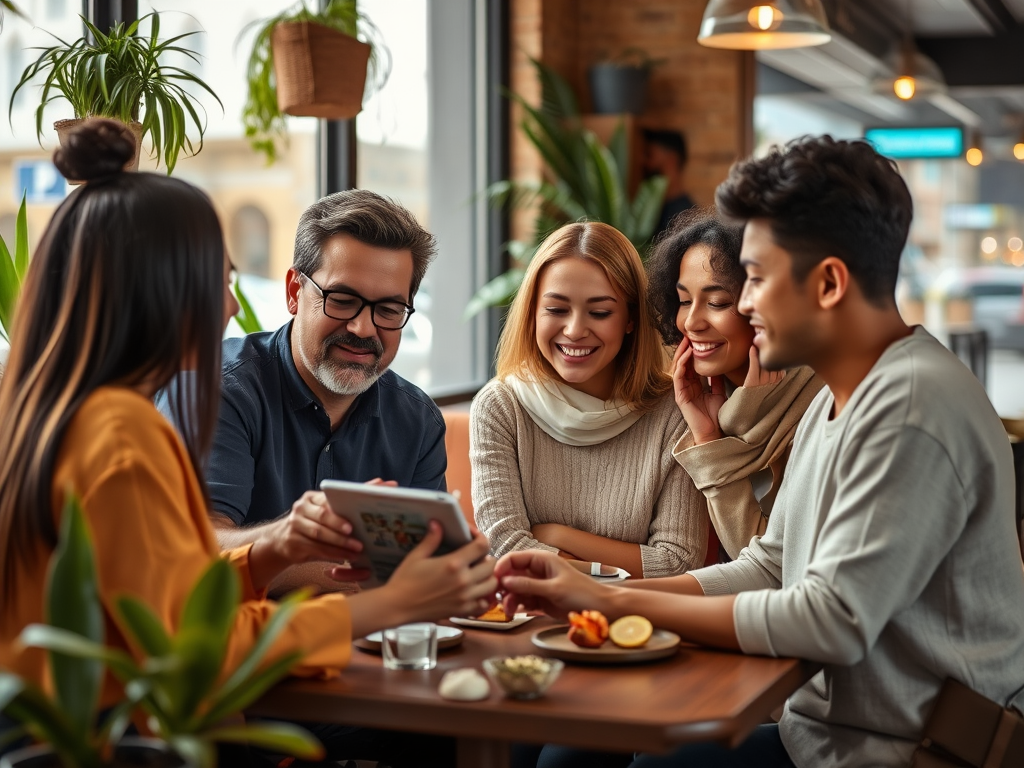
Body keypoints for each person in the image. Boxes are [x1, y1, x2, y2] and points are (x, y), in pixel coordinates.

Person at [495, 136, 1024, 768]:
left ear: (828, 283)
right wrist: (591, 590)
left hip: (909, 752)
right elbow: (769, 567)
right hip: (827, 735)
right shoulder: (841, 399)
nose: (742, 306)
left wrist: (611, 599)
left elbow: (830, 619)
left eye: (755, 281)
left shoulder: (908, 407)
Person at [0, 119, 496, 768]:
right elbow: (193, 650)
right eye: (220, 280)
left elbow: (162, 603)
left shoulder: (63, 411)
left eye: (389, 308)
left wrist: (273, 552)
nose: (233, 307)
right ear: (159, 294)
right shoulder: (124, 435)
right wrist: (387, 606)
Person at [161, 189, 446, 592]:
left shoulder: (418, 421)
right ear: (295, 292)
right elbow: (199, 551)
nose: (363, 329)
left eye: (388, 310)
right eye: (342, 300)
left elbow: (427, 563)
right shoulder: (219, 390)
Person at [471, 221, 708, 580]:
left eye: (599, 312)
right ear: (533, 312)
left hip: (637, 626)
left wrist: (555, 536)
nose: (574, 330)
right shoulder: (500, 407)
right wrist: (614, 568)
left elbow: (678, 563)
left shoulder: (674, 411)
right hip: (528, 621)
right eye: (556, 309)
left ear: (630, 319)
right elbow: (506, 547)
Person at [646, 209, 823, 560]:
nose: (692, 321)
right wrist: (710, 437)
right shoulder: (689, 399)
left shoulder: (821, 401)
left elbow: (774, 569)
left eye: (717, 303)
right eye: (683, 301)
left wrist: (735, 425)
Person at [643, 128, 695, 238]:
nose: (645, 163)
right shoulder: (653, 210)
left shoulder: (685, 217)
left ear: (672, 159)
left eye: (650, 155)